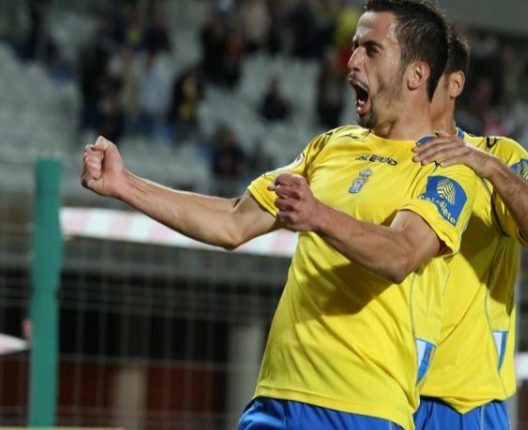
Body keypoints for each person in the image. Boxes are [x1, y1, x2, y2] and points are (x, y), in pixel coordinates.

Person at [81, 2, 477, 429]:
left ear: (417, 74)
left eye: (371, 50)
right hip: (275, 400)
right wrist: (126, 185)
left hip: (361, 410)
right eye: (354, 46)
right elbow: (234, 220)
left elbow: (400, 253)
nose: (352, 62)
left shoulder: (447, 168)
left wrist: (318, 215)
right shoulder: (330, 146)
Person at [412, 25, 528, 430]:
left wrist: (490, 169)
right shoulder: (365, 156)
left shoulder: (497, 156)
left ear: (454, 84)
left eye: (421, 71)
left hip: (461, 406)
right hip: (375, 395)